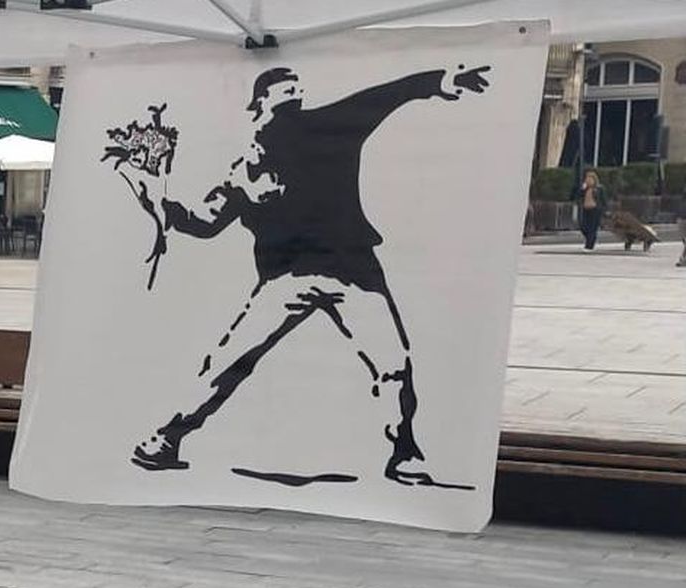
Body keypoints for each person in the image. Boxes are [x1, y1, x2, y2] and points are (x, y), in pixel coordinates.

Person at [126, 63, 489, 487]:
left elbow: (381, 96)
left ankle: (404, 451)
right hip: (294, 278)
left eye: (295, 94)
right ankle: (167, 439)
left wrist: (437, 83)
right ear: (258, 108)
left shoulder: (325, 128)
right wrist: (159, 205)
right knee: (231, 362)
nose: (292, 99)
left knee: (391, 363)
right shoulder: (246, 169)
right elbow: (204, 222)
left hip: (350, 272)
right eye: (284, 94)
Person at [579, 168, 603, 252]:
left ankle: (589, 246)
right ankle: (589, 242)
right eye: (586, 178)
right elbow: (579, 196)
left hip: (595, 210)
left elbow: (603, 200)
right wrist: (582, 189)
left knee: (592, 228)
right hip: (586, 209)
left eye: (590, 179)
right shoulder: (585, 189)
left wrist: (604, 210)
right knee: (584, 227)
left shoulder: (598, 189)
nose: (587, 180)